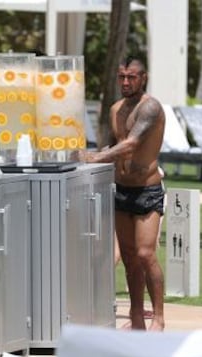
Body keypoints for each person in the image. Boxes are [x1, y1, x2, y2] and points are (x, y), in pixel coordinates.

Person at [73, 57, 166, 330]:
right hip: (122, 189)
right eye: (122, 76)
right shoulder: (115, 109)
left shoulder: (150, 107)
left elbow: (130, 145)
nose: (126, 82)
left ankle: (158, 317)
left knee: (146, 254)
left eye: (132, 77)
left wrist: (93, 159)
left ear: (143, 78)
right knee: (128, 257)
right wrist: (87, 153)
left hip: (147, 190)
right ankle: (136, 318)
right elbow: (112, 147)